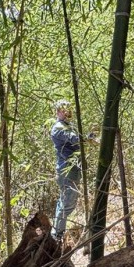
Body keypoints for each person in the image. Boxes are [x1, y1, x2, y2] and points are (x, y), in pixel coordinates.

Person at [50, 99, 87, 241]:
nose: (66, 112)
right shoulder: (59, 127)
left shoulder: (67, 125)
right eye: (63, 110)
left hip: (71, 168)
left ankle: (56, 233)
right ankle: (57, 236)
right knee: (67, 203)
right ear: (58, 111)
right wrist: (87, 138)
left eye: (67, 109)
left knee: (64, 201)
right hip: (67, 169)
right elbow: (75, 139)